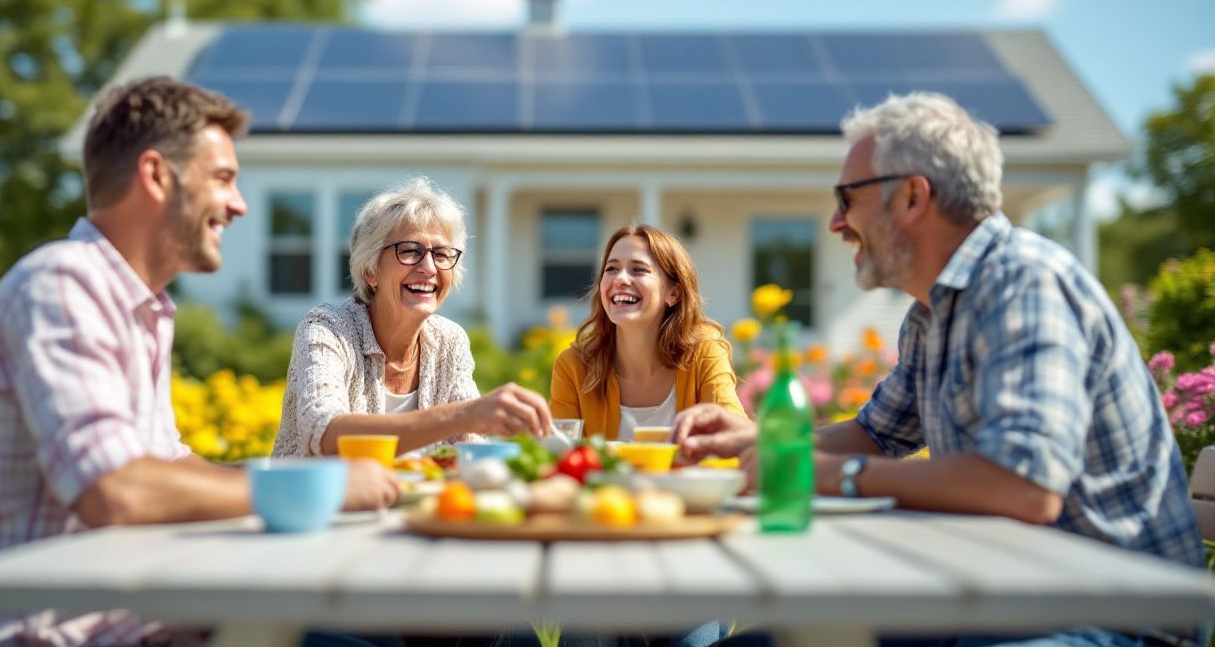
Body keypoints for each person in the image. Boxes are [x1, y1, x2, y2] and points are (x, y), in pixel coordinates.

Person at [674, 92, 1204, 647]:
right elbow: (877, 434)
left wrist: (831, 476)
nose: (836, 222)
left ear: (911, 196)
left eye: (846, 198)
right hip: (1000, 603)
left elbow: (1024, 488)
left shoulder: (1024, 283)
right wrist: (763, 442)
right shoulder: (932, 313)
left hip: (1108, 617)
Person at [0, 77, 398, 647]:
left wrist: (310, 479)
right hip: (56, 633)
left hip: (140, 616)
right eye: (223, 179)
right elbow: (116, 490)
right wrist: (323, 493)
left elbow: (166, 463)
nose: (239, 205)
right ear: (157, 176)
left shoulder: (141, 307)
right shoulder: (62, 284)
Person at [272, 176, 553, 459]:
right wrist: (466, 414)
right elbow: (326, 434)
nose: (429, 268)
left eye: (442, 254)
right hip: (313, 501)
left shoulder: (449, 341)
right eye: (410, 251)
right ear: (370, 270)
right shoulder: (327, 329)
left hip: (410, 502)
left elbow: (469, 447)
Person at [550, 224, 747, 441]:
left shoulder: (704, 353)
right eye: (611, 268)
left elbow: (735, 438)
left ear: (673, 293)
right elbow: (557, 455)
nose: (620, 279)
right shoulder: (573, 366)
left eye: (639, 269)